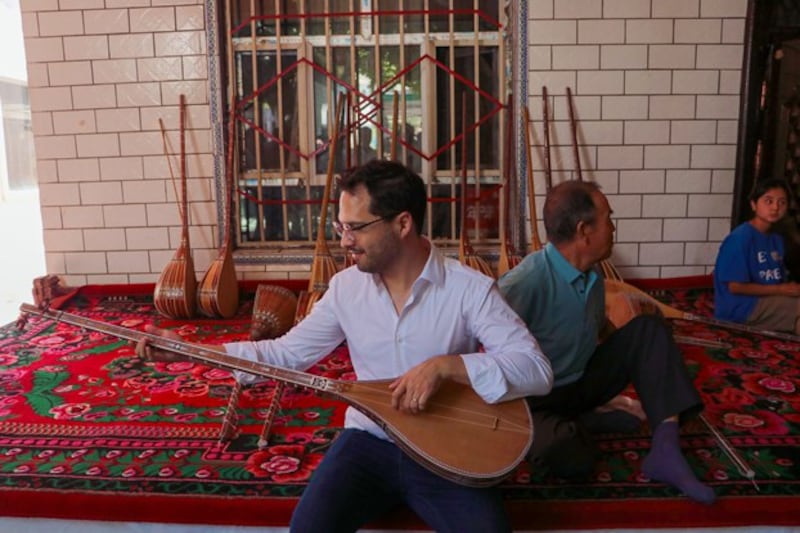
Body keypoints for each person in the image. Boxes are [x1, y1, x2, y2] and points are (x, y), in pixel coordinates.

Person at [138, 160, 553, 532]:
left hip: (444, 448)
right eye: (341, 226)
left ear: (402, 224)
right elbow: (285, 355)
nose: (344, 240)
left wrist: (447, 367)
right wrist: (190, 351)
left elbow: (535, 369)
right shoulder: (345, 288)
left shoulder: (469, 289)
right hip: (367, 443)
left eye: (356, 227)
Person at [497, 180, 716, 505]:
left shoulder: (593, 276)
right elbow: (486, 352)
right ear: (584, 229)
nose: (613, 228)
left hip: (578, 382)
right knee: (572, 457)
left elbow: (596, 331)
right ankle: (582, 422)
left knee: (648, 331)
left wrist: (644, 355)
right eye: (608, 218)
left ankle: (666, 450)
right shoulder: (524, 283)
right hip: (533, 400)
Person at [713, 178, 800, 333]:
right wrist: (780, 290)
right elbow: (735, 287)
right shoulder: (740, 238)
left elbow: (778, 279)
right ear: (754, 204)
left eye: (782, 202)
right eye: (768, 201)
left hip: (768, 301)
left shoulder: (776, 239)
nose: (775, 208)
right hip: (742, 307)